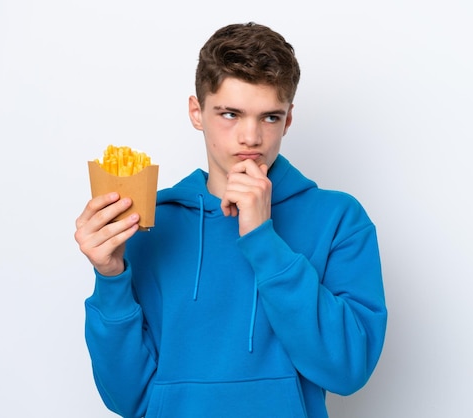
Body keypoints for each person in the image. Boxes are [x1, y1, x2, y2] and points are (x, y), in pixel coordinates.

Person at [74, 22, 387, 418]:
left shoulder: (339, 218)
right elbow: (127, 398)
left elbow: (347, 370)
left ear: (288, 120)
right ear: (197, 112)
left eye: (270, 117)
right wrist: (110, 277)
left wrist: (262, 239)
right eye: (230, 114)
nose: (251, 137)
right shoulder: (149, 222)